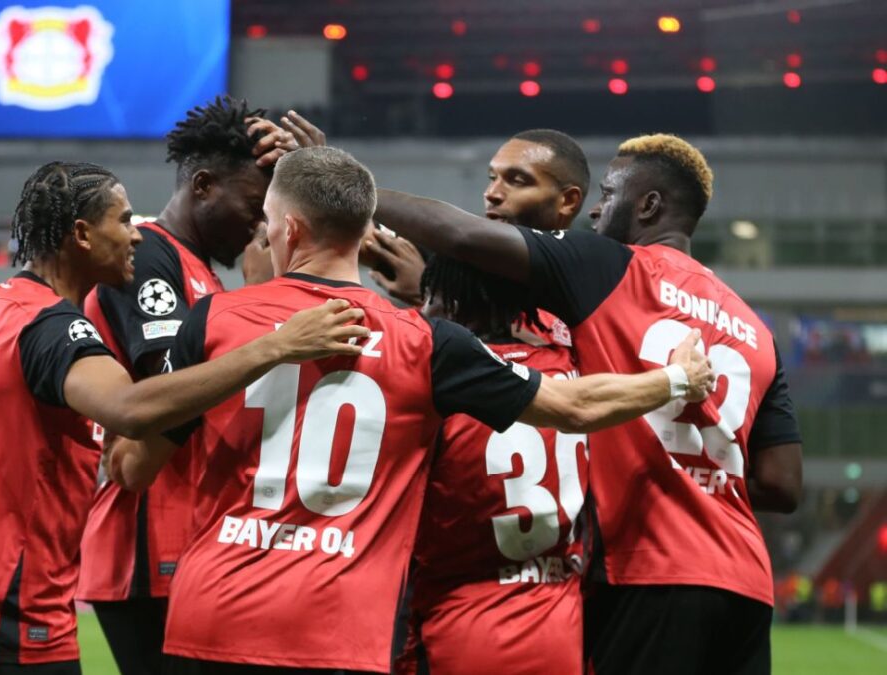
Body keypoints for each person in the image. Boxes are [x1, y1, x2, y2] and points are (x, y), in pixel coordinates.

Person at [109, 147, 713, 674]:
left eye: (266, 225)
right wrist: (677, 379)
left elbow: (134, 465)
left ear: (288, 230)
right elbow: (572, 406)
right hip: (342, 629)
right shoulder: (428, 342)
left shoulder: (216, 319)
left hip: (214, 618)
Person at [0, 161, 370, 675]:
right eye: (122, 222)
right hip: (5, 595)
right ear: (81, 234)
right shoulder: (51, 327)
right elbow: (133, 409)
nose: (136, 237)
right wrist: (275, 346)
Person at [373, 134, 803, 675]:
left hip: (647, 574)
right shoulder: (753, 327)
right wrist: (693, 472)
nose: (598, 208)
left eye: (607, 192)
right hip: (745, 583)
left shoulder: (612, 268)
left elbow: (462, 235)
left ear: (646, 206)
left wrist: (344, 188)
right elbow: (783, 485)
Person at [74, 97, 299, 675]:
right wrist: (261, 314)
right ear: (203, 185)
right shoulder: (148, 254)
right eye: (253, 204)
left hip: (191, 537)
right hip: (148, 546)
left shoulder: (204, 273)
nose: (260, 224)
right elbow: (165, 397)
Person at [394, 255, 588, 675]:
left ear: (457, 308)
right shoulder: (568, 368)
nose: (422, 312)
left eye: (431, 298)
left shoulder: (441, 388)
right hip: (560, 627)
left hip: (461, 627)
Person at [361, 127, 587, 348]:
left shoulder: (590, 278)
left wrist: (428, 298)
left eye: (517, 181)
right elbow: (359, 238)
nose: (492, 193)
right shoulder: (457, 261)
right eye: (492, 177)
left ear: (567, 201)